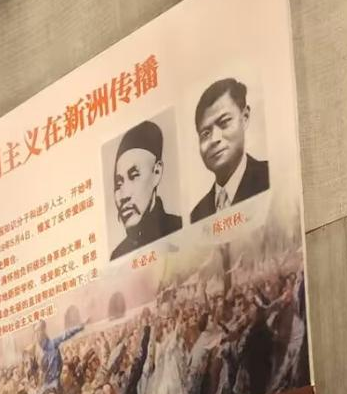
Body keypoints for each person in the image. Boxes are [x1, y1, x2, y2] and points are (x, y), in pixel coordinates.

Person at [189, 79, 270, 222]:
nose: (214, 139)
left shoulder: (270, 177)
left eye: (224, 122)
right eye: (205, 133)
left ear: (244, 118)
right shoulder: (197, 215)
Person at [110, 121, 182, 260]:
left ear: (157, 172)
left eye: (134, 176)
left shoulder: (179, 228)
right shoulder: (118, 256)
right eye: (118, 184)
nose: (124, 195)